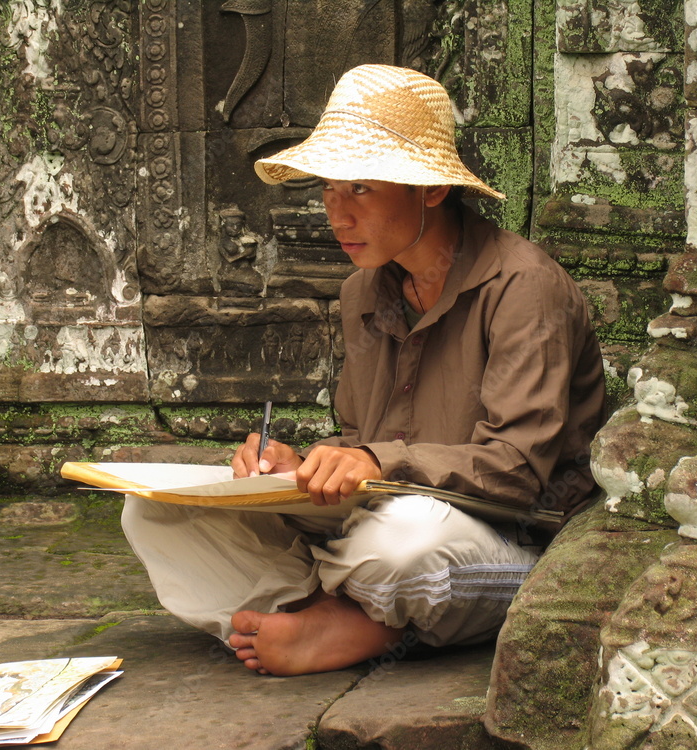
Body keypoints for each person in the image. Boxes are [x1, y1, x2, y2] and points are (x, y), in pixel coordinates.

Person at [122, 64, 606, 676]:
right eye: (329, 188)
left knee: (405, 540)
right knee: (156, 511)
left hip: (505, 545)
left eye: (360, 188)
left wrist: (378, 462)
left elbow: (517, 472)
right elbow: (363, 441)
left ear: (431, 189)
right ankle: (341, 611)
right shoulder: (364, 292)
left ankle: (352, 621)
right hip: (380, 519)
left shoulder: (524, 285)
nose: (337, 214)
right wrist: (301, 467)